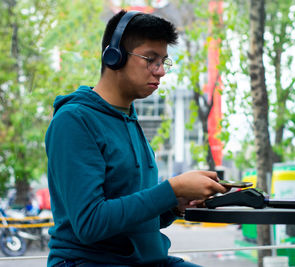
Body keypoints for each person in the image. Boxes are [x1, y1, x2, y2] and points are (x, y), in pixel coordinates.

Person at [45, 10, 228, 267]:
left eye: (164, 61)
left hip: (148, 259)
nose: (161, 71)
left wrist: (174, 205)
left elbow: (133, 214)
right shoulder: (74, 121)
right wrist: (171, 189)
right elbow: (90, 223)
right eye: (150, 59)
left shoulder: (128, 118)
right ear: (114, 56)